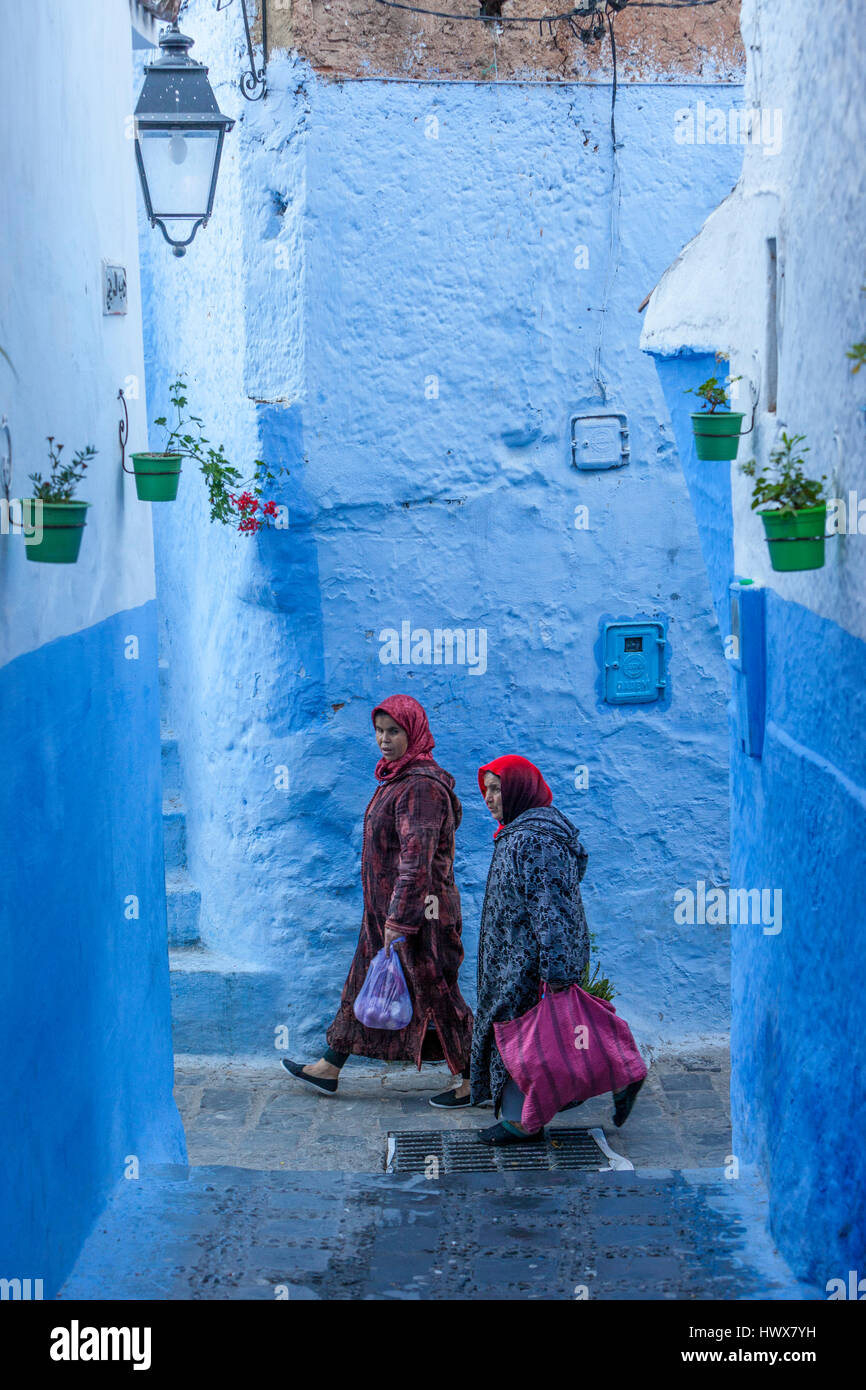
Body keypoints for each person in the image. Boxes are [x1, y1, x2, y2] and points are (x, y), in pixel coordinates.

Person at [281, 694, 473, 1105]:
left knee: (438, 994)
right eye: (379, 731)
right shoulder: (399, 778)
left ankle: (475, 1079)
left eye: (394, 732)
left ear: (414, 732)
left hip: (421, 917)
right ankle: (330, 1067)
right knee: (362, 984)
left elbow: (416, 860)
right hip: (387, 913)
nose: (384, 740)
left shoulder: (420, 785)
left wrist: (400, 921)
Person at [469, 754, 592, 1145]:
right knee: (516, 1037)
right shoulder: (519, 831)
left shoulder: (534, 839)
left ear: (519, 790)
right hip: (510, 960)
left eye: (496, 789)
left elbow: (550, 909)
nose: (488, 798)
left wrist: (556, 972)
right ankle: (521, 1117)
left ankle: (523, 1123)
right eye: (485, 789)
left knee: (522, 1039)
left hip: (526, 964)